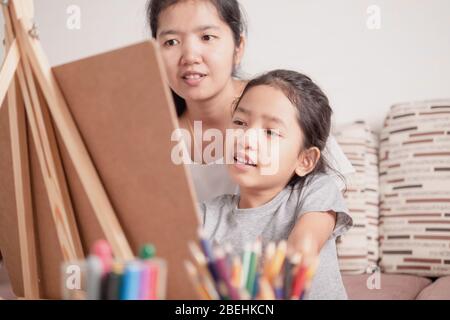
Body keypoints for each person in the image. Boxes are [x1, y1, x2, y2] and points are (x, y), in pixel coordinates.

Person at [147, 0, 354, 202]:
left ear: (238, 48)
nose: (190, 56)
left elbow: (332, 195)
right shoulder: (153, 136)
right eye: (171, 41)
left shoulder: (281, 104)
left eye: (207, 37)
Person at [200, 70, 353, 299]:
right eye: (240, 122)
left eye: (270, 132)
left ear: (305, 160)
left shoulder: (316, 190)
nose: (246, 138)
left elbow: (301, 251)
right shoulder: (207, 215)